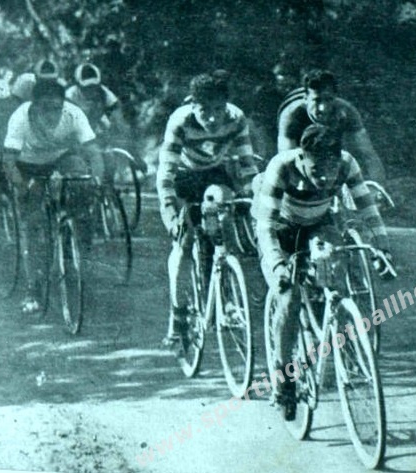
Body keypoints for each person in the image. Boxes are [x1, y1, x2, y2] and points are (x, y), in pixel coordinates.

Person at [251, 124, 394, 420]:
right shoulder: (282, 166)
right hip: (281, 228)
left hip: (318, 223)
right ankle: (284, 378)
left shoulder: (347, 163)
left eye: (331, 169)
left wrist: (382, 247)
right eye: (317, 170)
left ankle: (333, 326)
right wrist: (277, 264)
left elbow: (367, 206)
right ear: (302, 157)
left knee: (335, 270)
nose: (326, 177)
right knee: (288, 298)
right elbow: (265, 225)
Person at [157, 70, 258, 346]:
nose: (212, 118)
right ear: (193, 106)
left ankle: (225, 283)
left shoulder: (236, 118)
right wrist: (169, 209)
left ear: (226, 105)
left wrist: (253, 198)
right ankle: (178, 314)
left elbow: (247, 164)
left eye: (218, 110)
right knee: (184, 242)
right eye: (205, 111)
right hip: (184, 175)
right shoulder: (180, 121)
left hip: (215, 173)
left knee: (224, 205)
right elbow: (166, 172)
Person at [3, 79, 104, 314]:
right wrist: (22, 187)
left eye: (56, 108)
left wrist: (96, 181)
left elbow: (93, 153)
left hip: (61, 159)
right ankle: (33, 289)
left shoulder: (73, 114)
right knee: (32, 224)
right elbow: (9, 162)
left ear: (63, 105)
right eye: (45, 109)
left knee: (81, 179)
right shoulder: (20, 118)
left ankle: (74, 238)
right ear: (34, 106)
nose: (52, 115)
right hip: (27, 165)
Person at [277, 69, 386, 184]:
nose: (323, 108)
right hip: (297, 140)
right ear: (306, 99)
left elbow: (368, 154)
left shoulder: (346, 111)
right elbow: (285, 162)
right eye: (317, 100)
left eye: (329, 99)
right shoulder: (291, 115)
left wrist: (379, 188)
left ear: (335, 97)